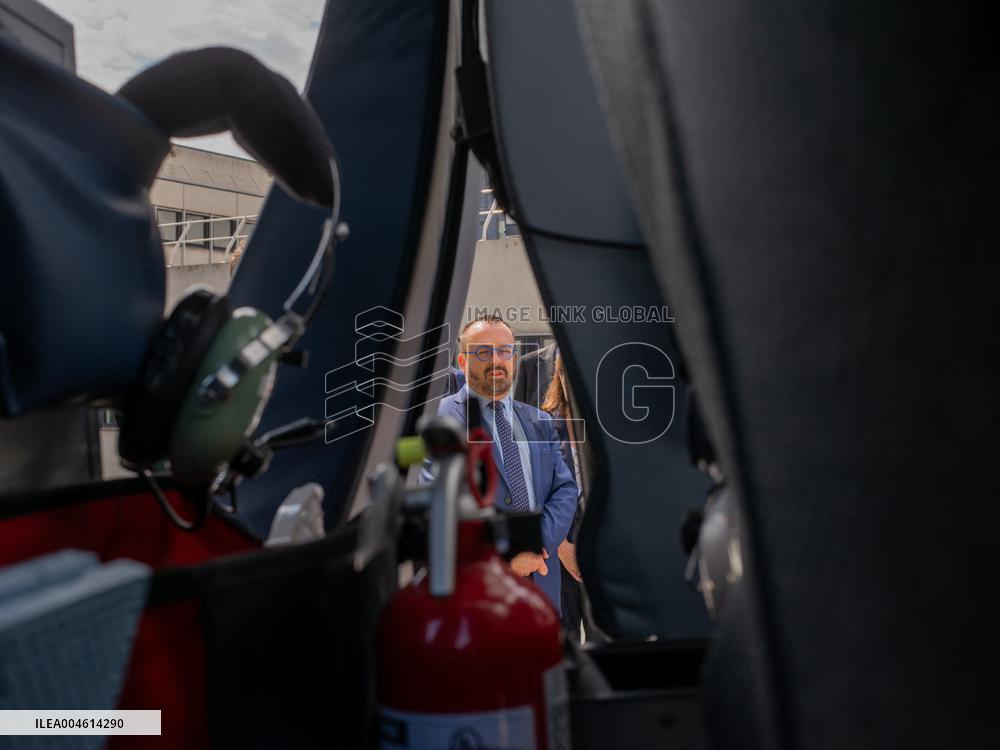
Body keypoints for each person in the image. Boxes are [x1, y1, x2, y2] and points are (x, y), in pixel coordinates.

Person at [424, 315, 577, 613]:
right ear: (463, 360)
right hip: (478, 592)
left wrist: (535, 544)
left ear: (514, 357)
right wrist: (505, 558)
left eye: (505, 350)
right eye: (483, 351)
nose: (496, 359)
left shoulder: (539, 421)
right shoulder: (436, 421)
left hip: (541, 584)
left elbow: (565, 489)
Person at [539, 354, 587, 638]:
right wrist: (561, 546)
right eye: (567, 374)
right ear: (560, 377)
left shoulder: (609, 428)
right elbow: (536, 491)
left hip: (600, 545)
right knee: (563, 640)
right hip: (560, 546)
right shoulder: (542, 426)